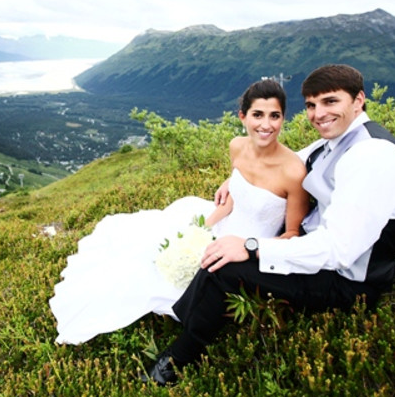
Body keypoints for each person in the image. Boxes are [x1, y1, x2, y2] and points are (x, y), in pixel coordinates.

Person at [143, 64, 395, 386]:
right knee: (224, 246)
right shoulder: (336, 141)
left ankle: (181, 356)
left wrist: (252, 247)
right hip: (315, 242)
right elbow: (282, 162)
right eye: (311, 105)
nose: (318, 114)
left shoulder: (372, 157)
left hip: (348, 280)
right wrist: (233, 181)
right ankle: (193, 311)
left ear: (358, 100)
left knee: (224, 267)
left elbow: (339, 251)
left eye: (330, 102)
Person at [49, 80, 310, 345]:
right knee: (148, 254)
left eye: (274, 116)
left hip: (249, 251)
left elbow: (292, 235)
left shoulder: (293, 172)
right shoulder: (237, 146)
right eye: (258, 114)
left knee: (172, 283)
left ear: (283, 118)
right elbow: (235, 199)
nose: (266, 125)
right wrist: (202, 229)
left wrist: (249, 246)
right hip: (221, 227)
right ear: (242, 116)